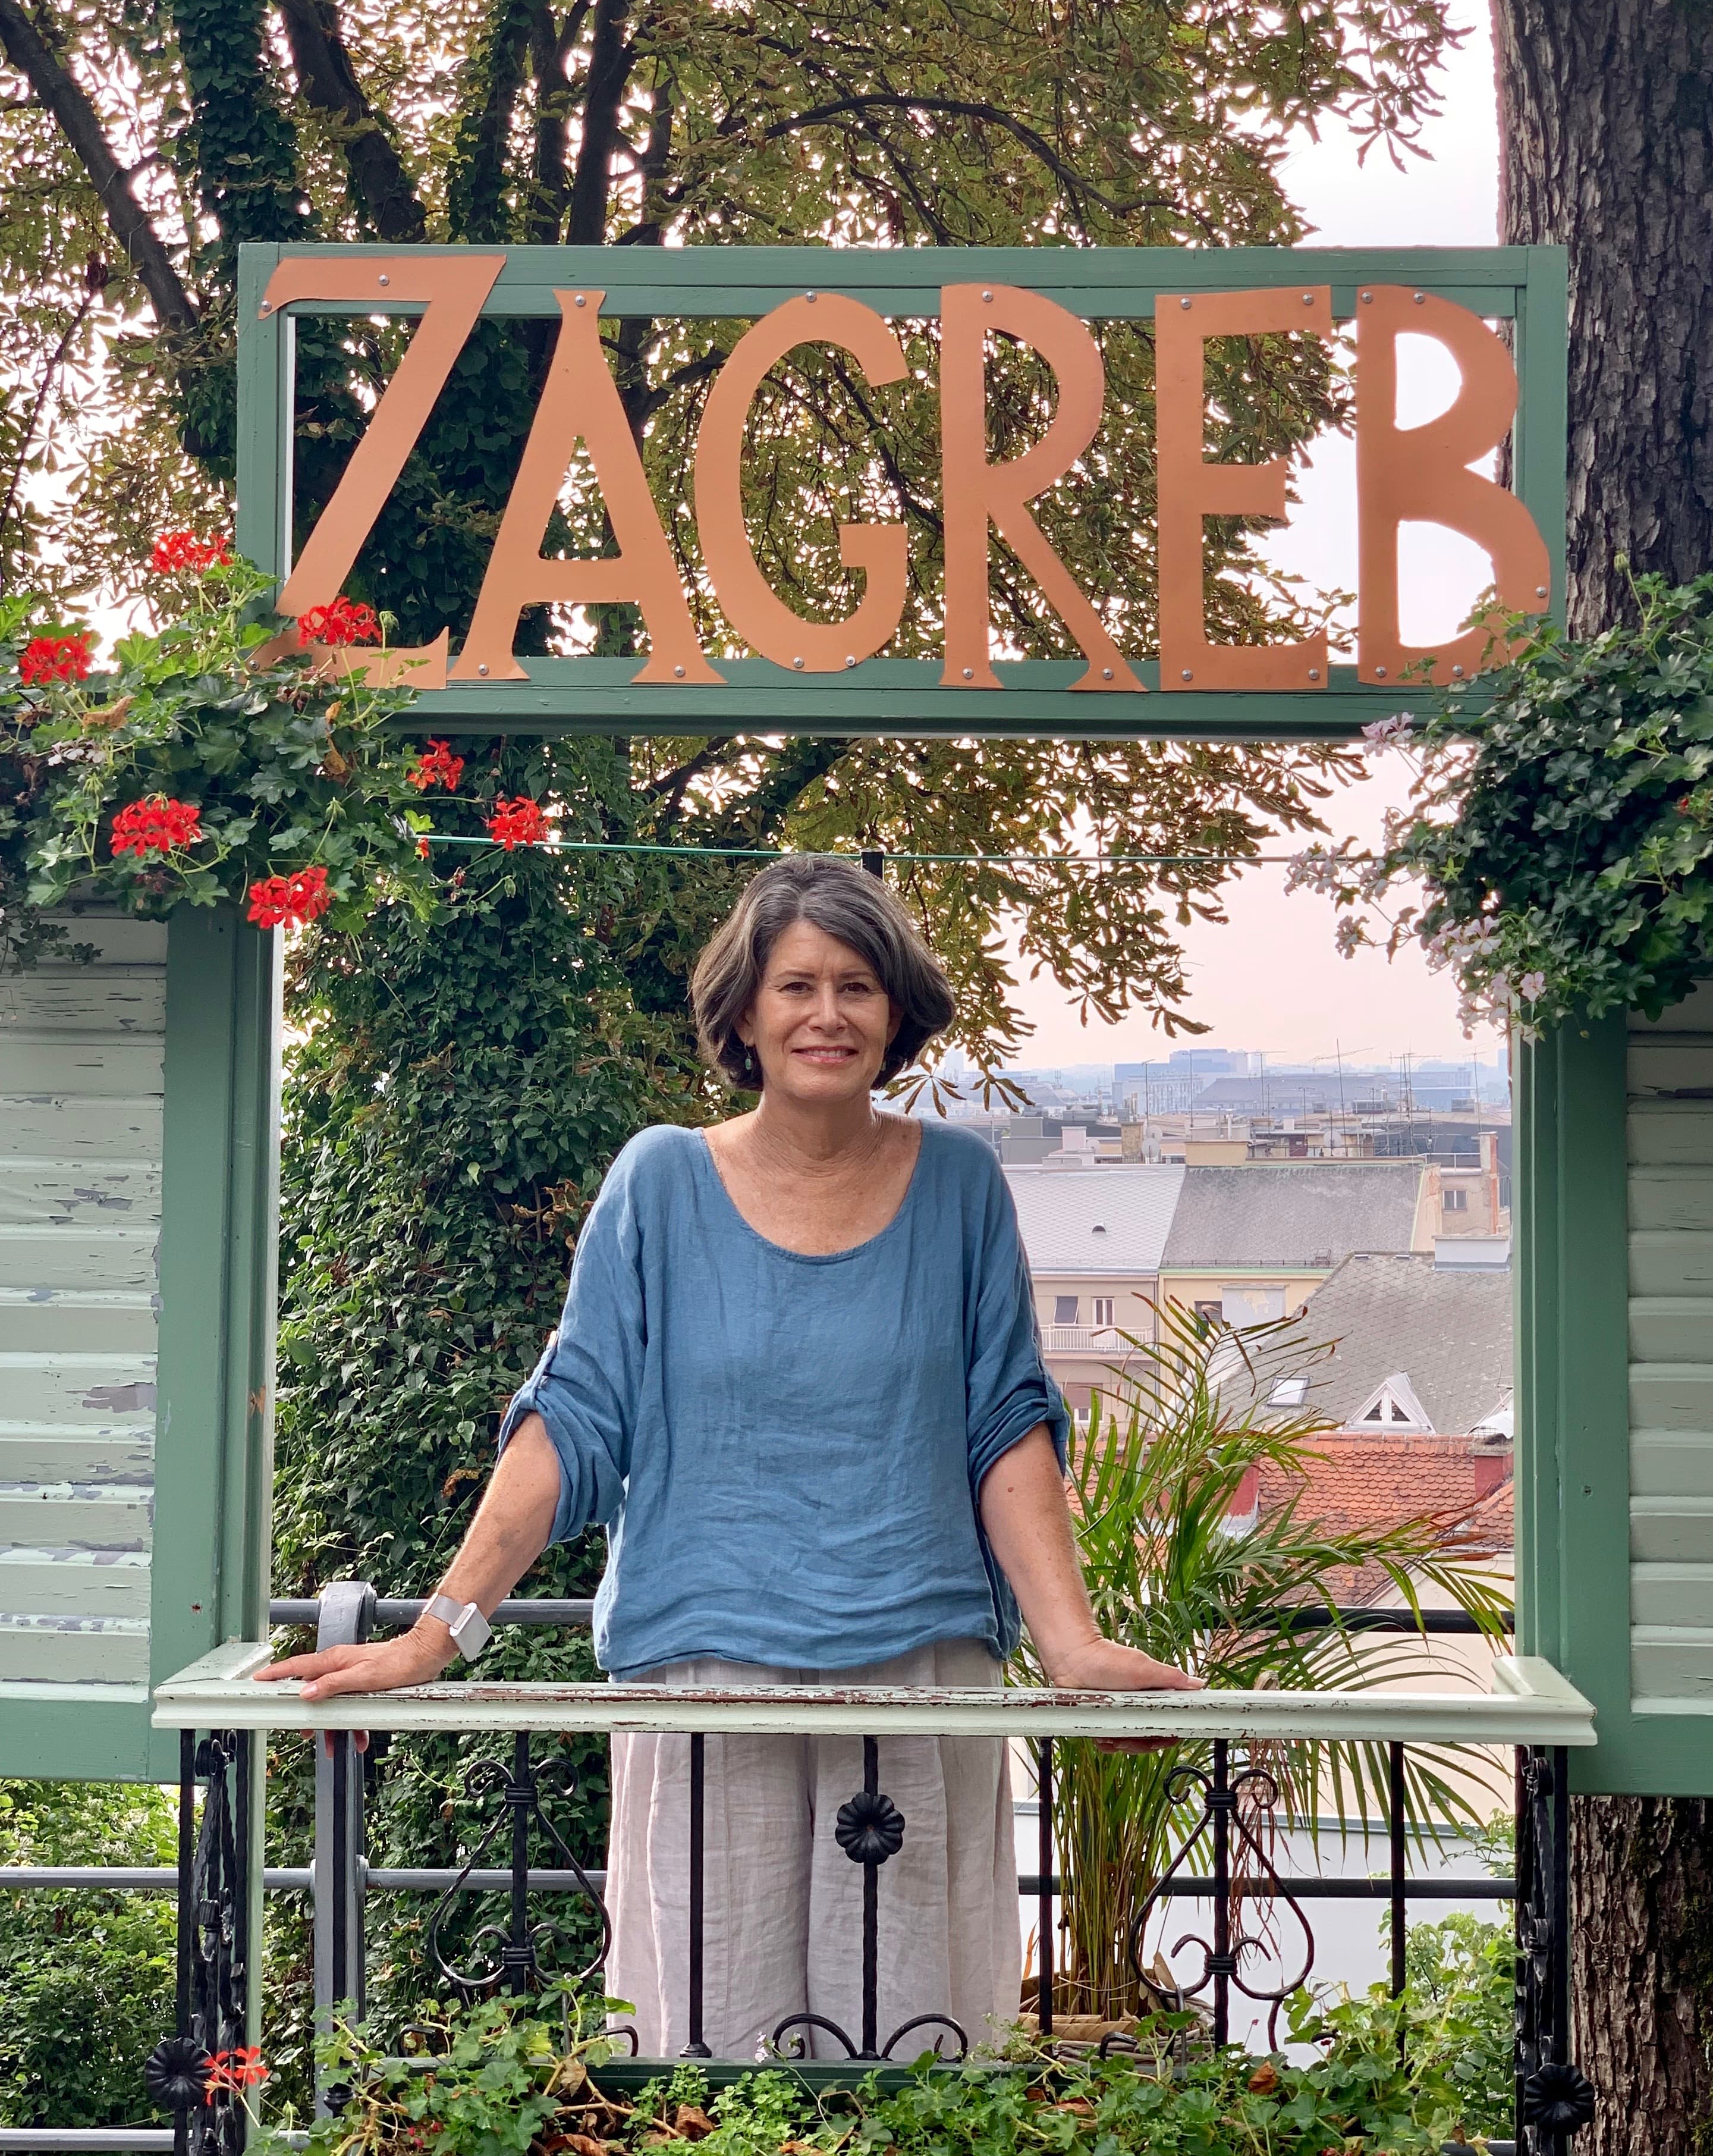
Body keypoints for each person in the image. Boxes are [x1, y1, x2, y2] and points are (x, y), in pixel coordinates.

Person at [259, 854, 1189, 2055]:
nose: (827, 1014)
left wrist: (1072, 1647)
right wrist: (441, 1635)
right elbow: (573, 1420)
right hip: (706, 1674)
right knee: (712, 2057)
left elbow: (1005, 1423)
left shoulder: (959, 1186)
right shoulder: (660, 1183)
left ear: (896, 1009)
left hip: (919, 1676)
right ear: (743, 1012)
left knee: (915, 2052)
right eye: (795, 984)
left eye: (857, 986)